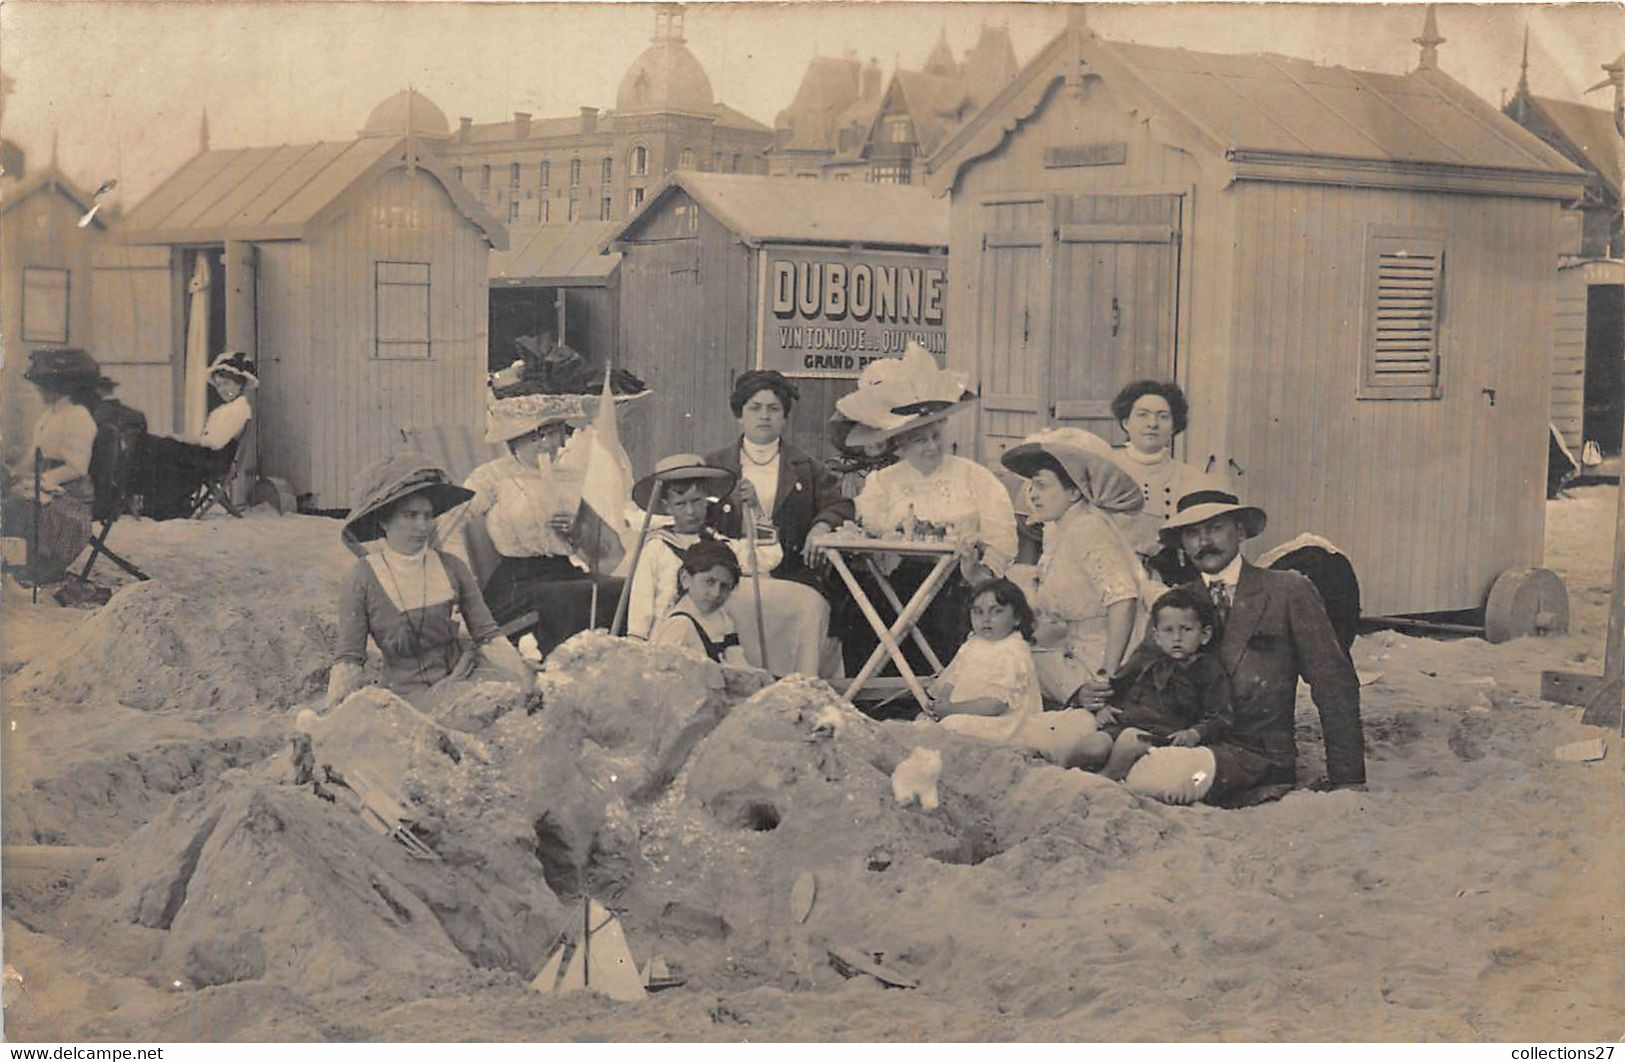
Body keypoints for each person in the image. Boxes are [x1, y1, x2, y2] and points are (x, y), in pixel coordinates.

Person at [1125, 490, 1366, 806]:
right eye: (1192, 533)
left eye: (1214, 528)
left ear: (1240, 531)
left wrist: (1348, 780)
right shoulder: (1176, 602)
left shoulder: (1287, 590)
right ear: (1182, 543)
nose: (1203, 542)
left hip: (1257, 756)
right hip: (1185, 741)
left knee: (1161, 778)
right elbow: (1139, 673)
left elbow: (1333, 682)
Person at [841, 343, 1018, 672]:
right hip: (897, 580)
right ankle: (884, 698)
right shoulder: (882, 482)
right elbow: (870, 531)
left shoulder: (975, 477)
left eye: (937, 435)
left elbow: (1001, 538)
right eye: (921, 439)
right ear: (901, 443)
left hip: (960, 581)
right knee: (864, 611)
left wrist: (980, 572)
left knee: (950, 613)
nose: (932, 446)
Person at [440, 371, 640, 657]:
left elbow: (602, 552)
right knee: (572, 599)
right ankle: (561, 667)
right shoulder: (492, 476)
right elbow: (449, 521)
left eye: (555, 433)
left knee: (621, 591)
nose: (550, 444)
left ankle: (603, 668)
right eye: (540, 436)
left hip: (563, 571)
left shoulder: (570, 476)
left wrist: (577, 531)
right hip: (517, 581)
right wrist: (463, 579)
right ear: (516, 440)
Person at [326, 452, 533, 711]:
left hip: (463, 680)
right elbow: (349, 659)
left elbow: (488, 635)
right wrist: (332, 711)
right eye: (410, 516)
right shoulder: (361, 578)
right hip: (404, 702)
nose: (422, 526)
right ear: (384, 521)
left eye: (427, 515)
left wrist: (524, 678)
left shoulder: (453, 567)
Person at [704, 369, 853, 676]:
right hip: (730, 578)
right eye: (754, 408)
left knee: (810, 606)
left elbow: (839, 504)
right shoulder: (714, 465)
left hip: (791, 574)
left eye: (773, 409)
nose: (764, 416)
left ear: (785, 417)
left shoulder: (806, 467)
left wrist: (821, 525)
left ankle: (797, 688)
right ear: (739, 415)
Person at [998, 434, 1146, 719]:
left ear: (1075, 492)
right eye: (1032, 487)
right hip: (1069, 654)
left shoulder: (1086, 529)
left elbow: (1123, 599)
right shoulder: (1062, 528)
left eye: (1041, 486)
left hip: (1100, 659)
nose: (1033, 495)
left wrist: (1107, 676)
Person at [1098, 587, 1233, 784]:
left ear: (1204, 635)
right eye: (1168, 630)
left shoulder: (1208, 669)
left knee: (1130, 740)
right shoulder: (1146, 659)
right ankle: (1069, 773)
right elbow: (1117, 685)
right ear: (1157, 636)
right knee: (1093, 746)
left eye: (1186, 630)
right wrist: (1104, 708)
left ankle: (1105, 780)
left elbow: (1221, 715)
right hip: (1125, 721)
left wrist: (1194, 733)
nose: (1177, 638)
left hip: (1163, 734)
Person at [1107, 380, 1231, 586]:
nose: (1152, 424)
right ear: (1125, 422)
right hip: (1112, 580)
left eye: (1163, 416)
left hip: (1170, 583)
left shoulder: (1194, 479)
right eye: (1142, 415)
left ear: (1174, 426)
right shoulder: (1104, 469)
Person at [1, 348, 101, 587]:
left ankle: (31, 564)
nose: (39, 391)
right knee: (8, 497)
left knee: (19, 504)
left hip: (72, 492)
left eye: (42, 386)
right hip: (47, 480)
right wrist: (14, 475)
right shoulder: (49, 416)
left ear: (59, 387)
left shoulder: (78, 416)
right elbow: (32, 455)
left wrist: (41, 481)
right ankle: (13, 561)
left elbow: (77, 467)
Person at [624, 454, 738, 640]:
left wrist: (755, 508)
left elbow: (769, 558)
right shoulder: (656, 547)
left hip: (710, 637)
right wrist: (638, 639)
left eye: (696, 501)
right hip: (667, 638)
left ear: (707, 501)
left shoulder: (720, 544)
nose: (690, 512)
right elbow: (641, 602)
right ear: (667, 506)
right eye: (680, 504)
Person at [134, 351, 256, 520]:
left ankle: (166, 506)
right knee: (159, 445)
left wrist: (183, 439)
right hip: (209, 455)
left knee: (164, 447)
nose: (222, 390)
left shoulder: (238, 410)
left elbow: (214, 442)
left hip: (216, 460)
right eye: (219, 385)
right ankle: (157, 502)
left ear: (240, 384)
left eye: (227, 384)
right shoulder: (226, 409)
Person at [650, 539, 749, 667]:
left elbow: (737, 665)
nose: (716, 593)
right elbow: (661, 676)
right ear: (685, 579)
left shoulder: (723, 618)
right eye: (709, 582)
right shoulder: (679, 624)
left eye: (724, 586)